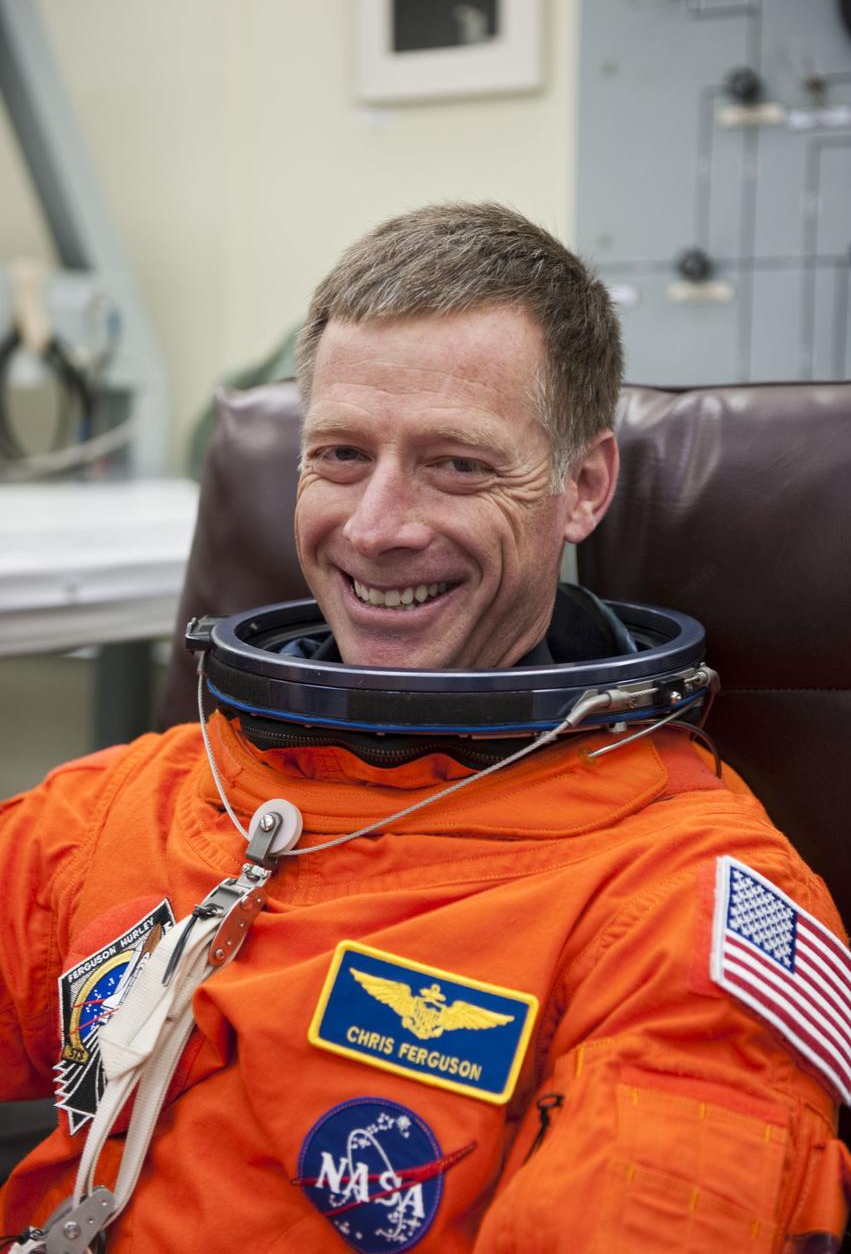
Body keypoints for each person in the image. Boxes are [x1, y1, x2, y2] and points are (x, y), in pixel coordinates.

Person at [1, 202, 849, 1254]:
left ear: (581, 486)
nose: (374, 527)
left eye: (456, 464)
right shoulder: (145, 796)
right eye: (343, 455)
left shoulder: (674, 896)